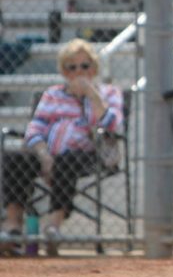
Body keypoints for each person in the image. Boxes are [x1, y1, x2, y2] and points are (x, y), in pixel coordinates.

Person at [0, 39, 124, 256]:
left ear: (94, 68)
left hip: (86, 155)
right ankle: (12, 226)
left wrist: (91, 95)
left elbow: (112, 125)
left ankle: (52, 227)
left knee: (68, 160)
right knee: (15, 158)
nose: (79, 72)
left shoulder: (108, 93)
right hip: (46, 154)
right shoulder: (53, 94)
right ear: (64, 72)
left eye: (85, 66)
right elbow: (34, 129)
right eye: (72, 67)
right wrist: (44, 154)